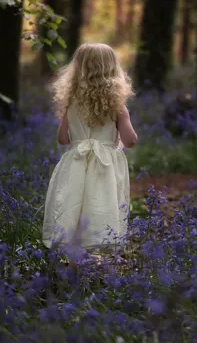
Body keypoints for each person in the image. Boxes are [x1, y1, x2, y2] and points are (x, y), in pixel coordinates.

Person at [42, 43, 138, 264]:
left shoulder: (71, 104)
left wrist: (81, 139)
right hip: (105, 166)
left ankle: (73, 256)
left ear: (77, 69)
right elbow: (131, 140)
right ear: (112, 69)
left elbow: (63, 139)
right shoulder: (117, 106)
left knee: (74, 202)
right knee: (100, 203)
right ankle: (98, 256)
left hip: (76, 162)